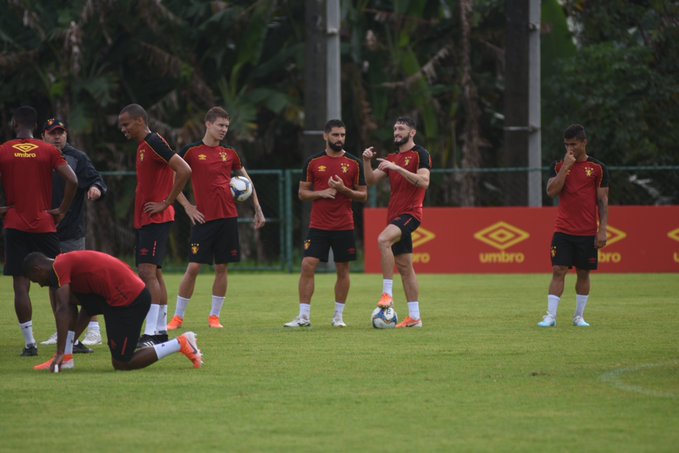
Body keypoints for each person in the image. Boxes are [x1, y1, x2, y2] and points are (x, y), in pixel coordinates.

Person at [22, 251, 202, 372]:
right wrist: (65, 350)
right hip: (113, 298)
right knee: (67, 297)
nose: (38, 284)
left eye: (35, 279)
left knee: (122, 362)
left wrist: (59, 350)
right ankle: (67, 358)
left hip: (131, 300)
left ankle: (181, 343)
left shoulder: (60, 266)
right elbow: (84, 308)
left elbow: (62, 310)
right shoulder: (62, 267)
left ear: (38, 270)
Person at [168, 107, 265, 330]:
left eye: (226, 126)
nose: (224, 130)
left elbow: (247, 182)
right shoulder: (191, 151)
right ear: (208, 124)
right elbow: (172, 179)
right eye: (220, 125)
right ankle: (177, 317)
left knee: (222, 267)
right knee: (193, 268)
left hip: (228, 218)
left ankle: (214, 317)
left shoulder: (230, 153)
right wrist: (187, 207)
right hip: (203, 219)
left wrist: (257, 209)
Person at [0, 105, 78, 356]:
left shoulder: (4, 150)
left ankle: (30, 343)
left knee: (20, 285)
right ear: (35, 127)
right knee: (57, 281)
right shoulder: (47, 151)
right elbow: (73, 180)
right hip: (45, 224)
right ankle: (64, 341)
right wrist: (62, 209)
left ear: (14, 124)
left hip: (15, 224)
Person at [118, 104, 191, 347]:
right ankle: (159, 330)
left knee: (147, 273)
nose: (123, 129)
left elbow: (184, 169)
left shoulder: (154, 142)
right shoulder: (143, 147)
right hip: (146, 219)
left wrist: (166, 202)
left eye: (126, 124)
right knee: (154, 273)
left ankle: (150, 334)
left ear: (140, 121)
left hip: (156, 219)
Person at [284, 119, 367, 328]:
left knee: (343, 270)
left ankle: (338, 317)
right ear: (325, 136)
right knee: (307, 265)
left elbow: (363, 195)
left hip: (344, 225)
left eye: (342, 135)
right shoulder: (313, 162)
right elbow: (302, 193)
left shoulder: (354, 163)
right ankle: (304, 317)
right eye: (335, 135)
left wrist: (344, 190)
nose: (339, 139)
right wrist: (322, 192)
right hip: (318, 225)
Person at [40, 117, 108, 348]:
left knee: (79, 282)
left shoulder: (77, 158)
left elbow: (97, 179)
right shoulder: (37, 157)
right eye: (52, 133)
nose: (57, 136)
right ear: (43, 136)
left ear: (67, 135)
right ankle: (61, 330)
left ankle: (94, 329)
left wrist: (96, 188)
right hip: (46, 231)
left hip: (72, 231)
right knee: (52, 280)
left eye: (61, 132)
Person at [362, 116, 431, 328]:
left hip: (411, 214)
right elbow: (371, 181)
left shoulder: (420, 154)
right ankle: (414, 317)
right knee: (405, 267)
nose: (396, 132)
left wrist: (397, 168)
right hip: (394, 214)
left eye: (401, 128)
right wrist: (366, 161)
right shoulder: (392, 157)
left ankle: (387, 294)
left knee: (383, 240)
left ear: (412, 133)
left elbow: (424, 182)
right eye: (394, 128)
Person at [537, 124, 609, 328]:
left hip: (587, 232)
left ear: (584, 143)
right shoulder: (559, 165)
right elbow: (551, 192)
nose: (570, 148)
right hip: (563, 230)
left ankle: (579, 316)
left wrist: (602, 229)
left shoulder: (598, 168)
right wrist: (566, 168)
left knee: (583, 272)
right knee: (558, 269)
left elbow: (603, 201)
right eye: (567, 144)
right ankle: (550, 316)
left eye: (574, 144)